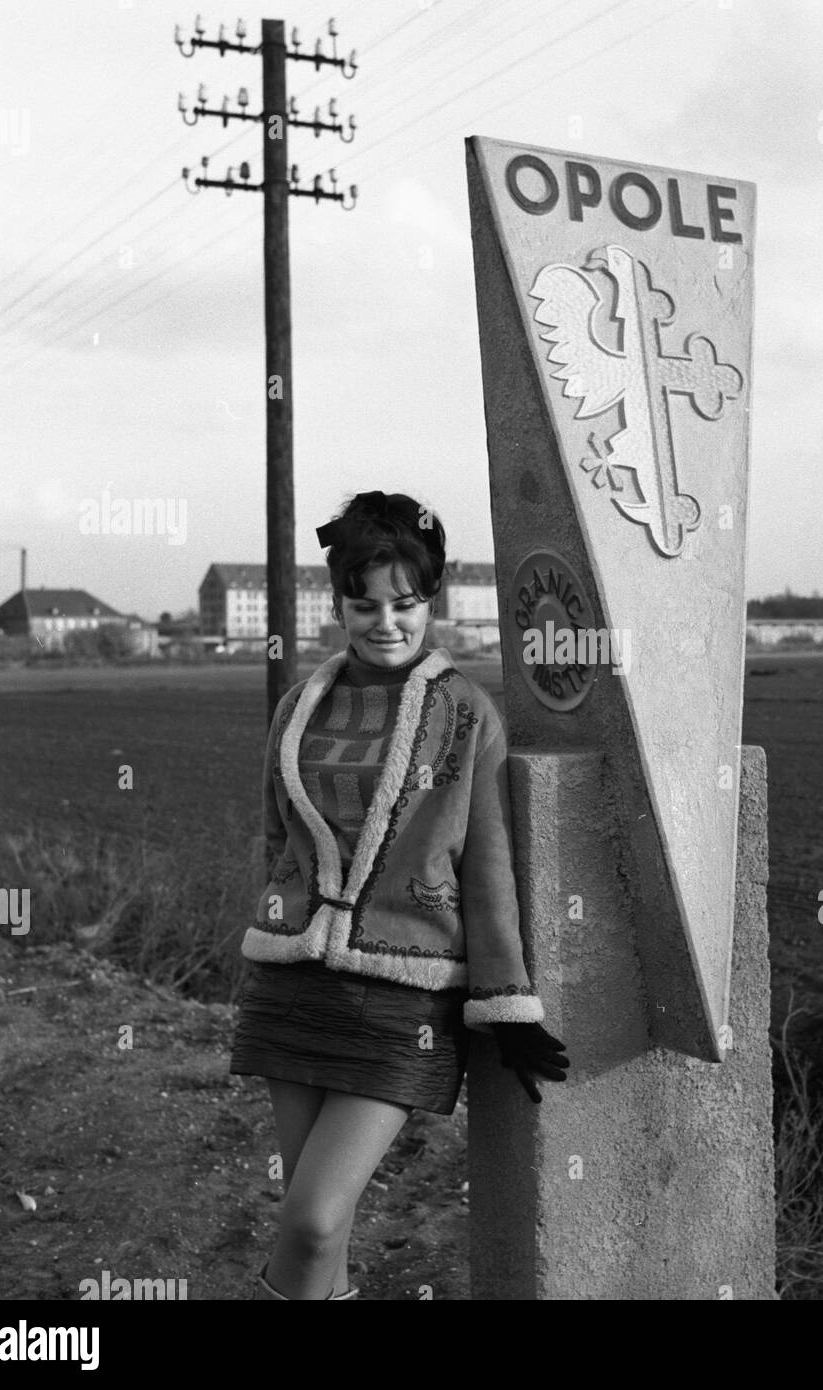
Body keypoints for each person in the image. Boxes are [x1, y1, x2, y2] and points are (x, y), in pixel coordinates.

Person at [229, 489, 569, 1300]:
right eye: (364, 603)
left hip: (400, 999)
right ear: (339, 604)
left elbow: (488, 870)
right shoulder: (299, 705)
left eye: (406, 604)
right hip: (291, 983)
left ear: (431, 601)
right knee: (318, 1233)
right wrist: (277, 925)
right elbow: (277, 839)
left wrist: (506, 1003)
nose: (386, 622)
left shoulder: (465, 715)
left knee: (310, 1222)